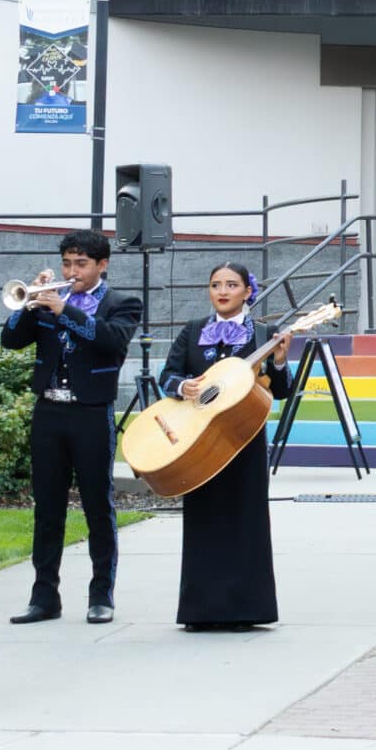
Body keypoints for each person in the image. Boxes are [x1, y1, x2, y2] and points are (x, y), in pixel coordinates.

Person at [1, 229, 141, 624]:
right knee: (47, 509)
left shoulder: (122, 303)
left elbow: (111, 340)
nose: (72, 271)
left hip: (91, 413)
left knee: (98, 506)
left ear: (102, 265)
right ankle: (44, 596)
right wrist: (29, 303)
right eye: (67, 263)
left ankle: (101, 596)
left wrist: (65, 311)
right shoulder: (46, 302)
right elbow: (10, 340)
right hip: (48, 411)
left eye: (81, 264)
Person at [155, 262, 280, 631]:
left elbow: (281, 389)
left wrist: (280, 361)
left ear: (247, 291)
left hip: (243, 439)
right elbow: (167, 376)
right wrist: (184, 387)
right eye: (215, 285)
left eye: (231, 285)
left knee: (245, 520)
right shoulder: (194, 330)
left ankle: (245, 610)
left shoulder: (263, 334)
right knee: (202, 520)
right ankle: (200, 611)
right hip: (198, 438)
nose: (222, 291)